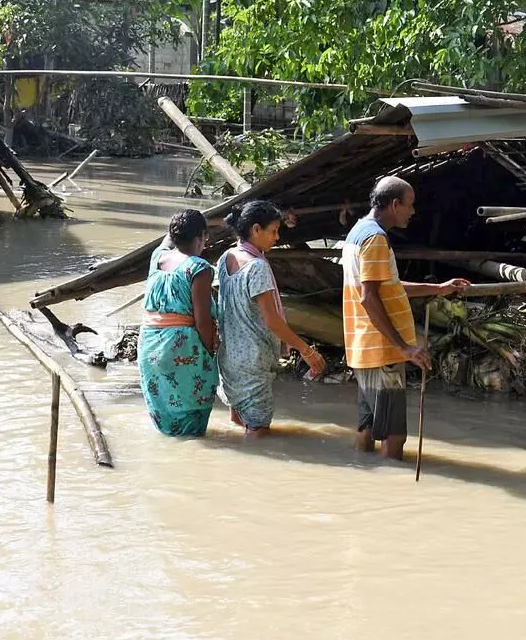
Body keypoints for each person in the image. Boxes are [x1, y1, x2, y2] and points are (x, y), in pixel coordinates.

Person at [343, 176, 469, 460]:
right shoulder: (375, 238)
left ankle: (362, 480)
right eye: (409, 206)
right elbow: (369, 297)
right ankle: (392, 491)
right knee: (394, 434)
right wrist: (404, 348)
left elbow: (388, 287)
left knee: (367, 427)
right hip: (383, 349)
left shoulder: (358, 232)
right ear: (395, 204)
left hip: (365, 346)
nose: (413, 213)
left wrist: (438, 288)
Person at [216, 200, 326, 438]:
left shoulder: (226, 258)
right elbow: (272, 321)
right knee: (258, 434)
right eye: (273, 231)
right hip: (254, 361)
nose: (277, 237)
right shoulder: (257, 267)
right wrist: (307, 351)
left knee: (237, 423)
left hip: (228, 358)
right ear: (256, 230)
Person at [139, 209, 218, 436]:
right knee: (192, 413)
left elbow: (168, 237)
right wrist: (210, 351)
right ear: (201, 235)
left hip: (150, 344)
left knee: (164, 409)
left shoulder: (158, 257)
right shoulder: (199, 268)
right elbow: (202, 321)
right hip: (182, 346)